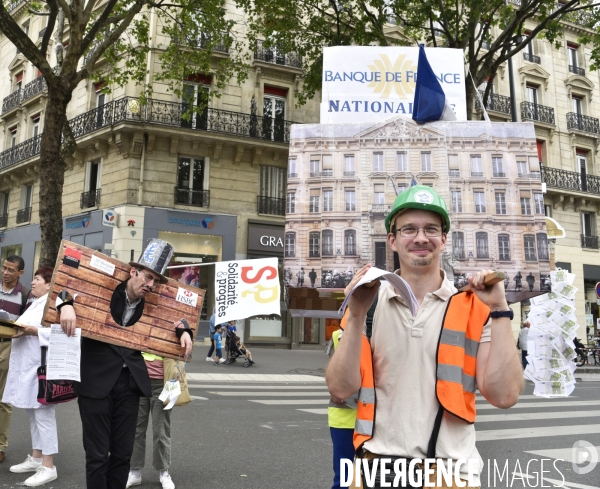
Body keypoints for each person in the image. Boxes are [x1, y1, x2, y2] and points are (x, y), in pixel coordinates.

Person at [326, 186, 523, 488]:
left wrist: (499, 309)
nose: (420, 238)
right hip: (375, 468)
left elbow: (505, 395)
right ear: (392, 240)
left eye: (431, 229)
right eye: (409, 229)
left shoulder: (475, 306)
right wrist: (354, 315)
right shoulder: (367, 304)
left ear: (444, 240)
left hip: (450, 473)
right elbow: (341, 389)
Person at [59, 239, 194, 489]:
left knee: (122, 455)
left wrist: (185, 330)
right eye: (147, 277)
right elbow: (65, 285)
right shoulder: (106, 288)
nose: (150, 285)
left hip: (130, 384)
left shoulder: (153, 302)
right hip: (95, 380)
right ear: (133, 272)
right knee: (98, 456)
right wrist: (65, 304)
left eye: (155, 281)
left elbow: (176, 316)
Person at [2, 267, 65, 486]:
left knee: (44, 416)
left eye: (37, 279)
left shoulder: (56, 304)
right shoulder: (35, 302)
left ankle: (49, 466)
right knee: (32, 413)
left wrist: (34, 331)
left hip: (42, 369)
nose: (33, 282)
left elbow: (66, 334)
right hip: (27, 367)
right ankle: (37, 457)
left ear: (50, 284)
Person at [126, 352, 176, 489]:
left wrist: (185, 332)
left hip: (163, 382)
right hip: (138, 379)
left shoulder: (176, 328)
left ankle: (164, 472)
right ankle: (134, 471)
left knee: (161, 430)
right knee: (136, 429)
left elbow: (184, 337)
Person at [0, 254, 31, 464]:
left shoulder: (25, 295)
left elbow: (27, 324)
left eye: (11, 270)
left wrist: (15, 323)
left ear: (20, 273)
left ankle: (0, 446)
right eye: (3, 268)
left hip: (8, 346)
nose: (5, 273)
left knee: (3, 400)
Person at [326, 321, 357, 489]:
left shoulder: (337, 335)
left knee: (345, 478)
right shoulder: (337, 335)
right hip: (347, 417)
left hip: (344, 417)